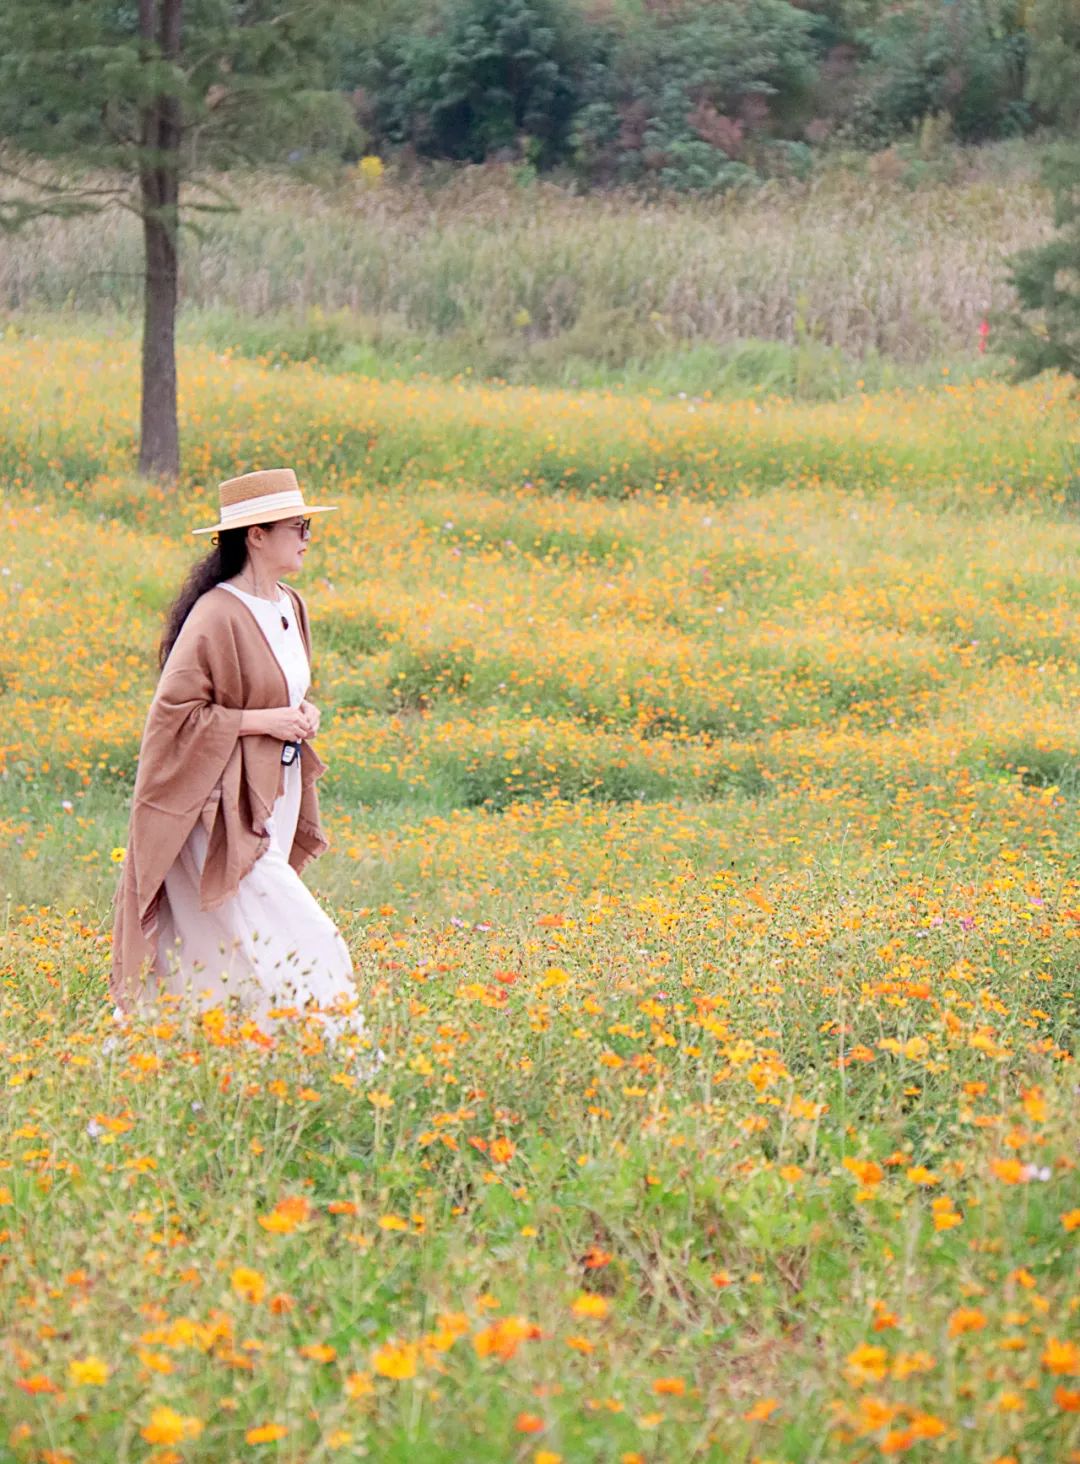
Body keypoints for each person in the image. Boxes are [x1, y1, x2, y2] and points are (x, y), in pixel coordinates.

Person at [111, 467, 377, 1068]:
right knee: (309, 935)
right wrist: (266, 723)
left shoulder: (290, 604)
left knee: (228, 941)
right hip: (220, 807)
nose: (308, 536)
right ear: (256, 535)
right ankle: (353, 1064)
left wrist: (300, 714)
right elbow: (173, 716)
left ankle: (223, 1064)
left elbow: (278, 690)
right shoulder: (217, 614)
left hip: (273, 795)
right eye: (297, 526)